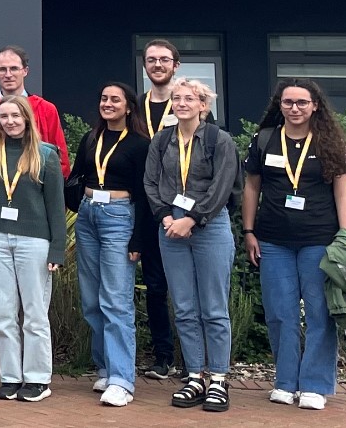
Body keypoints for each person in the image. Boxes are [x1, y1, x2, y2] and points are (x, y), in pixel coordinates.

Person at [244, 79, 346, 412]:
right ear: (279, 105)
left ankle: (315, 385)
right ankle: (285, 381)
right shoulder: (264, 140)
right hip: (273, 240)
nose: (295, 108)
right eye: (288, 102)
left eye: (302, 103)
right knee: (280, 313)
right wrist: (249, 231)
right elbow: (252, 188)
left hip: (320, 240)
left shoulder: (332, 144)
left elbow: (344, 195)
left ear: (315, 106)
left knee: (321, 313)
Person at [142, 78, 239, 413]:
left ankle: (218, 379)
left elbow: (223, 185)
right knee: (183, 307)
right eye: (177, 98)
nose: (181, 103)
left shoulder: (218, 139)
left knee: (213, 308)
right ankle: (195, 375)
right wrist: (165, 216)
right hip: (170, 226)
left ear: (203, 105)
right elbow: (150, 182)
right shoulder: (162, 140)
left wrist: (192, 218)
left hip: (208, 225)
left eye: (190, 98)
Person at [0, 96, 67, 403]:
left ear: (27, 118)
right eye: (4, 116)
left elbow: (55, 208)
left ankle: (37, 378)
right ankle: (10, 376)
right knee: (3, 313)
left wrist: (57, 251)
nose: (10, 121)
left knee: (35, 314)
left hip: (34, 242)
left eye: (15, 115)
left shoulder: (46, 155)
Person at [67, 82, 152, 407]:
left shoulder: (139, 144)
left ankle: (122, 380)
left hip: (120, 217)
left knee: (116, 300)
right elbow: (77, 175)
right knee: (92, 298)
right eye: (104, 98)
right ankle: (104, 367)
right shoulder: (92, 138)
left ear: (128, 106)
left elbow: (144, 195)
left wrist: (138, 238)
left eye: (115, 99)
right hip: (89, 217)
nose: (108, 103)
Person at [136, 39, 183, 380]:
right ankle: (163, 356)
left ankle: (194, 359)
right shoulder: (135, 107)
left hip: (180, 207)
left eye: (164, 59)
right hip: (145, 207)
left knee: (187, 286)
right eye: (151, 60)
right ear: (144, 66)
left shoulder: (186, 103)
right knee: (155, 286)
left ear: (175, 66)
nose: (157, 65)